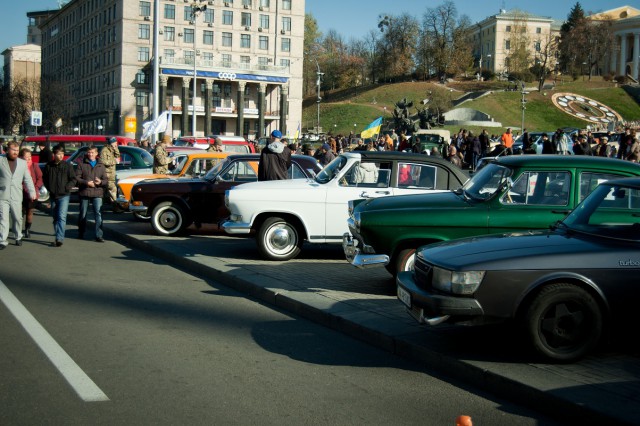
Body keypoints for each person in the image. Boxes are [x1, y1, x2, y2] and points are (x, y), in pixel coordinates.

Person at [0, 141, 36, 249]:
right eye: (13, 150)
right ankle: (2, 240)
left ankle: (18, 236)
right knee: (3, 218)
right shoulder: (1, 160)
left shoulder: (22, 163)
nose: (15, 152)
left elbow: (28, 179)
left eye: (17, 150)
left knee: (17, 217)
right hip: (2, 194)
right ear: (7, 150)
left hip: (16, 195)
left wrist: (32, 191)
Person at [43, 144, 76, 247]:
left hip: (64, 195)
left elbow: (73, 179)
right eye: (58, 154)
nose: (61, 156)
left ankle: (59, 238)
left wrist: (67, 187)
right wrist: (49, 189)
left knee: (61, 216)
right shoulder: (49, 166)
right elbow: (45, 179)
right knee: (55, 217)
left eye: (62, 153)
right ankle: (58, 234)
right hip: (53, 195)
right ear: (54, 154)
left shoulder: (67, 166)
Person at [75, 145, 108, 242]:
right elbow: (77, 178)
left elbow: (106, 180)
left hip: (97, 192)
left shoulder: (101, 165)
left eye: (92, 152)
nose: (90, 154)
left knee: (98, 213)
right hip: (85, 191)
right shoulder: (81, 164)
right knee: (83, 214)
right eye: (89, 152)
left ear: (96, 154)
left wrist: (100, 182)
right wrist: (86, 182)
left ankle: (99, 235)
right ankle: (81, 232)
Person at [19, 148, 43, 239]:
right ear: (21, 157)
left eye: (30, 157)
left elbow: (40, 178)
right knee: (19, 213)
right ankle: (18, 229)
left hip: (31, 194)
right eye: (26, 157)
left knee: (29, 211)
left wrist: (36, 187)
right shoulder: (18, 166)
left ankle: (27, 229)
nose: (28, 159)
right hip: (20, 193)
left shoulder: (34, 165)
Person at [100, 136, 120, 210]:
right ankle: (116, 207)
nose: (115, 144)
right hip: (107, 173)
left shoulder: (112, 149)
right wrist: (114, 161)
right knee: (112, 190)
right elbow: (103, 161)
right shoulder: (104, 150)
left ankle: (103, 206)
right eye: (114, 143)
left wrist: (116, 148)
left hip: (112, 173)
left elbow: (118, 155)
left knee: (107, 191)